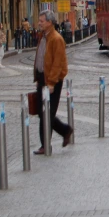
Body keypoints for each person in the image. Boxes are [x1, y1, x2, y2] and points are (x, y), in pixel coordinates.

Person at [33, 10, 73, 155]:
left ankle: (45, 145)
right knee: (41, 112)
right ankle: (65, 130)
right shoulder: (43, 37)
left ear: (50, 23)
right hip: (42, 78)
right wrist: (38, 78)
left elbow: (57, 63)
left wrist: (51, 82)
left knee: (47, 113)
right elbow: (41, 59)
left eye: (42, 21)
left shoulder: (56, 39)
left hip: (52, 81)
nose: (39, 23)